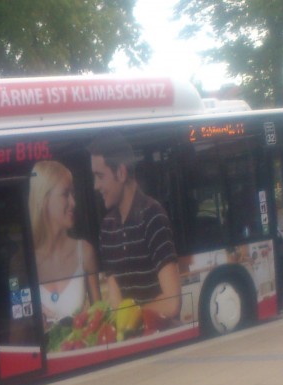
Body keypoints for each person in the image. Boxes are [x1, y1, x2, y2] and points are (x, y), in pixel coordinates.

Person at [89, 134, 181, 320]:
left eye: (100, 176)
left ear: (121, 173)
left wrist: (129, 317)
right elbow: (116, 304)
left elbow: (172, 303)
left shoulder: (153, 216)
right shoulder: (107, 229)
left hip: (161, 339)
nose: (95, 186)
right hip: (131, 341)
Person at [29, 160, 100, 325]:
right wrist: (31, 320)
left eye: (73, 194)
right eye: (65, 194)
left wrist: (86, 321)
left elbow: (100, 315)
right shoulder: (22, 262)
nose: (73, 203)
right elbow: (16, 334)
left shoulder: (85, 252)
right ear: (44, 199)